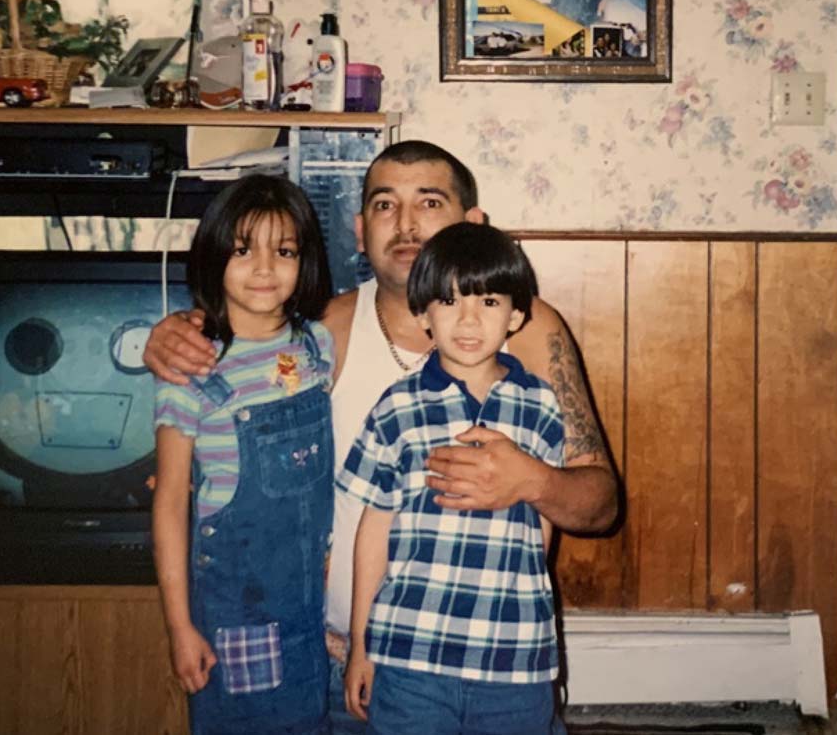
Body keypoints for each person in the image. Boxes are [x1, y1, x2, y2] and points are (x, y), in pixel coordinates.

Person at [144, 140, 619, 733]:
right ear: (360, 226)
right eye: (385, 205)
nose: (407, 223)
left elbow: (601, 505)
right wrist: (174, 331)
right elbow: (235, 351)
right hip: (332, 661)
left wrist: (536, 480)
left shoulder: (528, 329)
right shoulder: (325, 332)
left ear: (472, 223)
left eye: (429, 202)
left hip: (489, 665)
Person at [341, 222, 562, 733]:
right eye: (448, 301)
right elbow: (374, 529)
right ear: (423, 314)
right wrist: (361, 646)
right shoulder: (398, 406)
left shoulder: (540, 407)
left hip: (513, 656)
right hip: (411, 651)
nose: (468, 320)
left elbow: (542, 530)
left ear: (517, 315)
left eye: (487, 302)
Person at [151, 174, 337, 734]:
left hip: (310, 604)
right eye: (242, 250)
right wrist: (179, 627)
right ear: (214, 257)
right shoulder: (190, 372)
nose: (264, 269)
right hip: (239, 613)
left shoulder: (317, 346)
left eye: (284, 252)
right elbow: (169, 506)